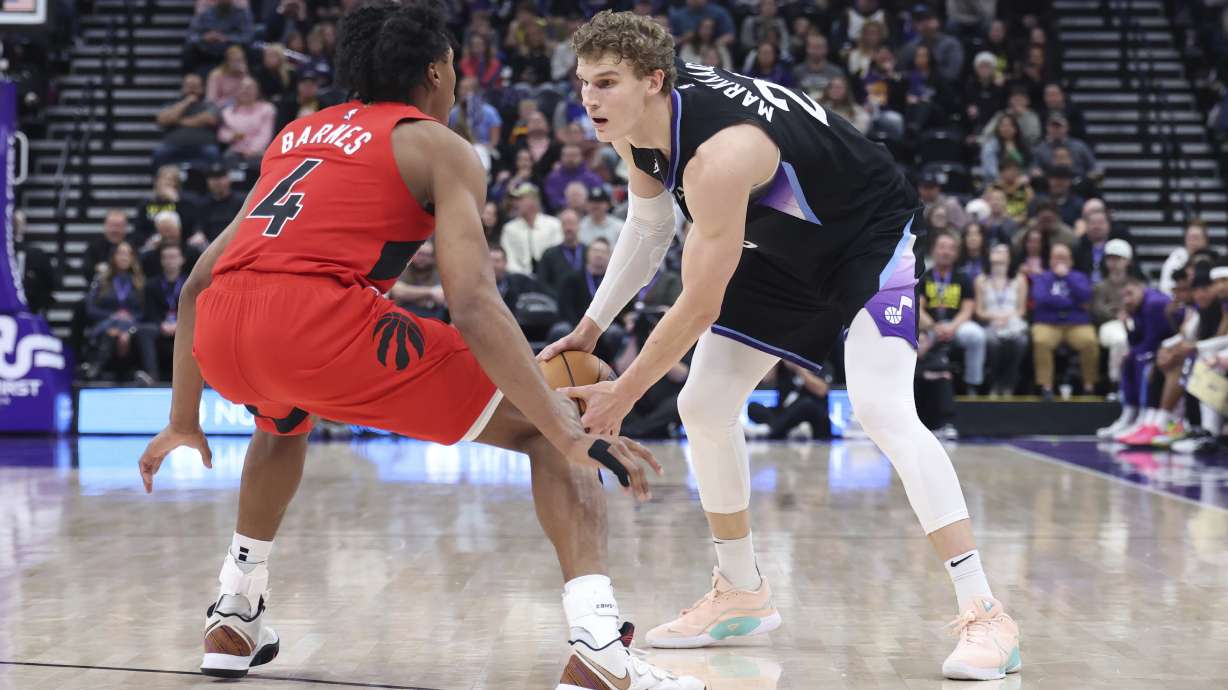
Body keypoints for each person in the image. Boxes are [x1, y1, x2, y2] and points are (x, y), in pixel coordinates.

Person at [136, 4, 697, 689]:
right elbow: (473, 302)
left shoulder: (298, 134)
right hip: (316, 323)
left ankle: (235, 608)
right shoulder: (438, 146)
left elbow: (198, 281)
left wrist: (183, 418)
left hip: (225, 329)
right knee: (555, 414)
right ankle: (599, 646)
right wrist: (562, 427)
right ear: (435, 73)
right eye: (454, 68)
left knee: (281, 421)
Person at [545, 11, 1021, 681]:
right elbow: (650, 227)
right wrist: (591, 327)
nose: (589, 99)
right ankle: (742, 592)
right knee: (704, 405)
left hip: (867, 239)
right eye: (583, 82)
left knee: (883, 409)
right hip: (781, 249)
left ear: (652, 81)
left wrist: (622, 393)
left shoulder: (719, 156)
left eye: (605, 82)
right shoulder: (636, 127)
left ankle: (987, 614)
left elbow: (699, 304)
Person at [1029, 243, 1099, 399]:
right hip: (1047, 323)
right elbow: (1040, 298)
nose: (1060, 261)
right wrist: (1070, 303)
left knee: (1089, 341)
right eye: (1056, 257)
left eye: (1064, 258)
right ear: (1050, 260)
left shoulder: (1079, 277)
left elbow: (1086, 296)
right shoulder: (1042, 277)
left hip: (1076, 324)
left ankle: (1089, 386)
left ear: (1071, 261)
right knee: (1041, 341)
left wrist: (1067, 277)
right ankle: (1046, 386)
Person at [975, 243, 1028, 397]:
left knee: (1021, 342)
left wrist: (1006, 318)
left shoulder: (1020, 279)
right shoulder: (981, 280)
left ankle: (1009, 383)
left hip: (1012, 322)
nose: (998, 252)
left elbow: (1022, 310)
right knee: (992, 342)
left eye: (1002, 251)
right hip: (990, 322)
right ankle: (994, 381)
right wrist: (995, 318)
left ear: (1010, 257)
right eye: (995, 250)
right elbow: (979, 311)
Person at [153, 73, 222, 170]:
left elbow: (211, 119)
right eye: (189, 86)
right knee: (160, 152)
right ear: (182, 88)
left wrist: (178, 121)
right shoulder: (171, 104)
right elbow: (162, 121)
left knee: (212, 152)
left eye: (195, 87)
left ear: (202, 88)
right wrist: (186, 102)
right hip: (173, 145)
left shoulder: (209, 105)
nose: (192, 90)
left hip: (203, 146)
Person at [500, 182, 563, 274]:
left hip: (551, 275)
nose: (515, 204)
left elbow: (559, 254)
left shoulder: (553, 224)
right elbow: (508, 258)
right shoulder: (509, 229)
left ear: (534, 201)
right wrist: (523, 275)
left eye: (520, 199)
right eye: (515, 200)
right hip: (519, 277)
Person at [537, 209, 588, 295]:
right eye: (564, 224)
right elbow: (542, 283)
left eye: (571, 223)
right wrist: (559, 298)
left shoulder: (589, 252)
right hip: (556, 300)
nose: (568, 228)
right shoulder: (549, 254)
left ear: (579, 225)